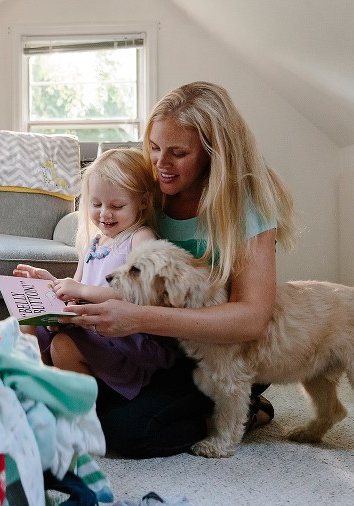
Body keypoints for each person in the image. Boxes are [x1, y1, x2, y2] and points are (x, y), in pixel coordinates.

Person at [61, 81, 299, 458]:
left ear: (212, 152)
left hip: (225, 352)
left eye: (178, 153)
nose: (160, 164)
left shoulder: (246, 205)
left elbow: (252, 318)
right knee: (83, 397)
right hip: (160, 346)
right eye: (154, 148)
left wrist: (139, 318)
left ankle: (244, 409)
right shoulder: (152, 193)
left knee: (125, 434)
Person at [14, 148, 173, 401]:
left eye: (117, 205)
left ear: (143, 201)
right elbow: (78, 286)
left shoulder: (140, 238)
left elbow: (142, 295)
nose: (104, 213)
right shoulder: (95, 242)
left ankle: (83, 415)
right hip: (88, 326)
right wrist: (53, 285)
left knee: (62, 345)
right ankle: (42, 393)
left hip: (122, 337)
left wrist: (82, 292)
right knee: (27, 324)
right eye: (96, 204)